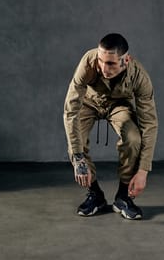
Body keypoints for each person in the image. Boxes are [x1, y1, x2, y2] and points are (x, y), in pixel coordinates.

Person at [63, 33, 158, 220]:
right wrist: (78, 158)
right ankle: (95, 194)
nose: (104, 68)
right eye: (101, 61)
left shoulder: (139, 75)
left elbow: (149, 123)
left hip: (118, 105)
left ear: (126, 60)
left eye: (111, 64)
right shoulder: (88, 63)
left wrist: (143, 170)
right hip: (89, 103)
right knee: (76, 140)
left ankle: (123, 197)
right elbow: (71, 111)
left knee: (133, 137)